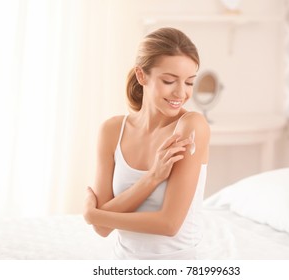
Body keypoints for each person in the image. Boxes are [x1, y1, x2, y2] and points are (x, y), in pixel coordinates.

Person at [83, 27, 210, 259]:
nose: (181, 93)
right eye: (170, 81)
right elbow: (102, 229)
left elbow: (169, 224)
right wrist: (153, 177)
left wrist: (95, 215)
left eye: (190, 82)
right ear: (142, 76)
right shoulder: (111, 131)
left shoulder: (191, 126)